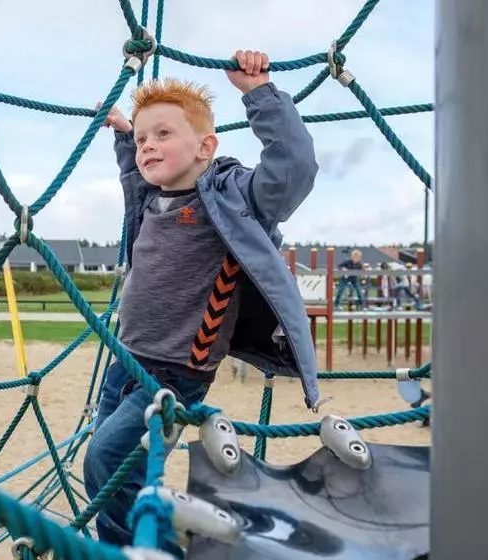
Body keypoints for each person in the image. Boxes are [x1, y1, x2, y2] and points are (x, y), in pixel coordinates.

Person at [82, 50, 323, 556]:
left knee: (106, 461)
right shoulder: (150, 200)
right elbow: (132, 175)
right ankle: (131, 545)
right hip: (125, 360)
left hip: (176, 373)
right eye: (144, 140)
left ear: (205, 146)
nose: (149, 146)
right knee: (113, 470)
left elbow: (292, 169)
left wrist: (258, 92)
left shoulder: (232, 196)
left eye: (163, 134)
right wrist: (125, 134)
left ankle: (146, 551)